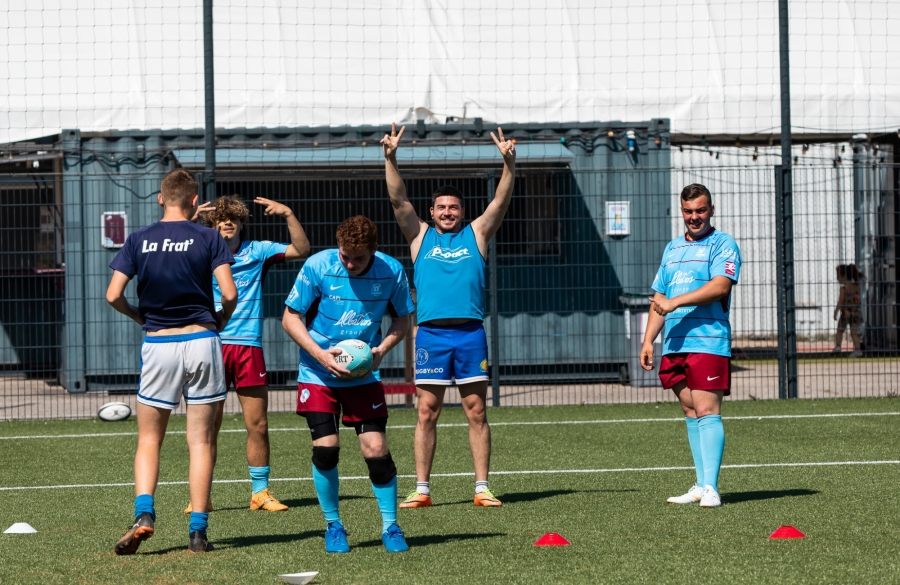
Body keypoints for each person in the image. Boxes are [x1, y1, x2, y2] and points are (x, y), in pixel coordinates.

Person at [381, 122, 516, 508]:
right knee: (427, 411)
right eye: (441, 207)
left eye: (453, 207)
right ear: (432, 212)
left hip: (470, 334)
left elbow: (501, 203)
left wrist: (508, 166)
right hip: (432, 337)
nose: (447, 212)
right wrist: (389, 158)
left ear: (462, 212)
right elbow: (397, 200)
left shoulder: (477, 234)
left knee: (476, 411)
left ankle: (482, 488)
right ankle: (422, 489)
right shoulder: (420, 237)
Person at [106, 169, 237, 554]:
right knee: (200, 441)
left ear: (161, 199)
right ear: (195, 201)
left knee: (149, 438)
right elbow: (228, 293)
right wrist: (220, 319)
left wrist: (139, 317)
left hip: (159, 344)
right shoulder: (209, 236)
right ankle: (198, 532)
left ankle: (144, 514)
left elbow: (114, 295)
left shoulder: (138, 239)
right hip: (202, 340)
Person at [281, 215, 414, 553]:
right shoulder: (317, 266)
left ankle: (391, 526)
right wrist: (320, 355)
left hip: (363, 376)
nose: (351, 263)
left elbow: (402, 319)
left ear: (374, 250)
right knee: (326, 450)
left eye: (359, 258)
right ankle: (334, 525)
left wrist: (382, 349)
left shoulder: (391, 272)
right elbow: (290, 317)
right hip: (317, 373)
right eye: (345, 256)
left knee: (377, 451)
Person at [184, 195, 310, 514]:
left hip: (248, 347)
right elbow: (175, 247)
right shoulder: (198, 250)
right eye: (220, 218)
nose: (227, 222)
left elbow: (301, 250)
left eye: (233, 218)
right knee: (208, 427)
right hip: (209, 345)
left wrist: (289, 213)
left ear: (242, 223)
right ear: (211, 224)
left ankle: (260, 493)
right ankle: (202, 498)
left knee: (259, 425)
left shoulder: (259, 251)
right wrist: (189, 218)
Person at [639, 183, 741, 509]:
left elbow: (720, 286)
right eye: (688, 211)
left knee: (708, 411)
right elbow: (659, 299)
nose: (694, 217)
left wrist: (674, 303)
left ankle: (711, 487)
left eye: (700, 210)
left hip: (708, 340)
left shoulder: (723, 243)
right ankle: (700, 484)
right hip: (674, 344)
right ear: (681, 211)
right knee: (690, 411)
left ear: (712, 209)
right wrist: (647, 340)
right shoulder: (671, 249)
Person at [833, 264, 864, 358]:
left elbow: (841, 301)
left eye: (838, 275)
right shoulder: (856, 285)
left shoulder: (844, 288)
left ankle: (838, 347)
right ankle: (858, 350)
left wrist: (836, 311)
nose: (837, 278)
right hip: (857, 312)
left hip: (846, 312)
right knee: (854, 332)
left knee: (840, 330)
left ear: (844, 276)